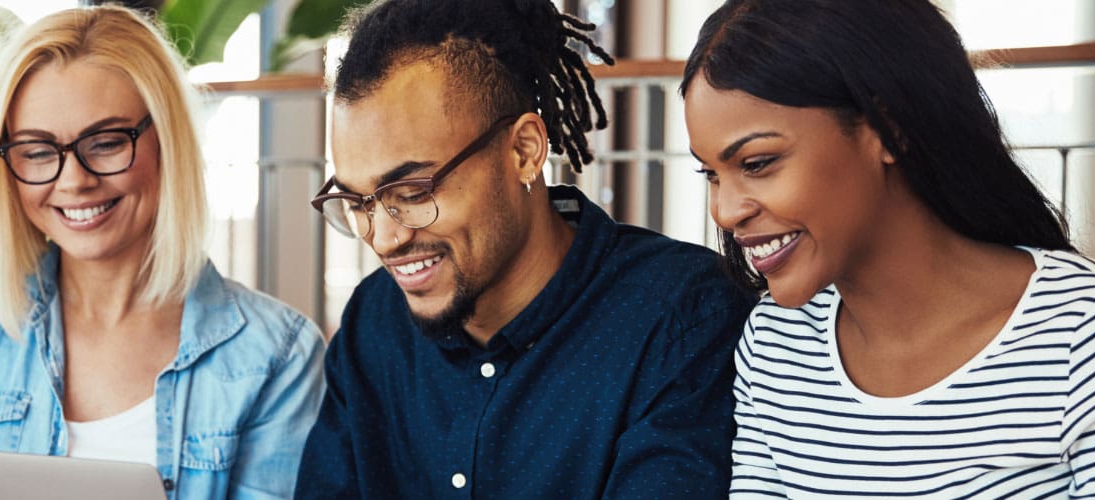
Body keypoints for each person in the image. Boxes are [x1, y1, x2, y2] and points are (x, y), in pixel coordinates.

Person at [681, 0, 1095, 496]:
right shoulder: (776, 342)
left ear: (888, 131)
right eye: (712, 174)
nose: (726, 212)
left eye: (756, 164)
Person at [296, 0, 754, 497]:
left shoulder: (679, 316)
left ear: (524, 151)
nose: (384, 237)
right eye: (357, 201)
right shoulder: (374, 322)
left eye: (413, 193)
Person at [0, 6, 326, 499]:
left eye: (107, 142)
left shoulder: (279, 356)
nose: (75, 181)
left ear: (167, 140)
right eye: (39, 152)